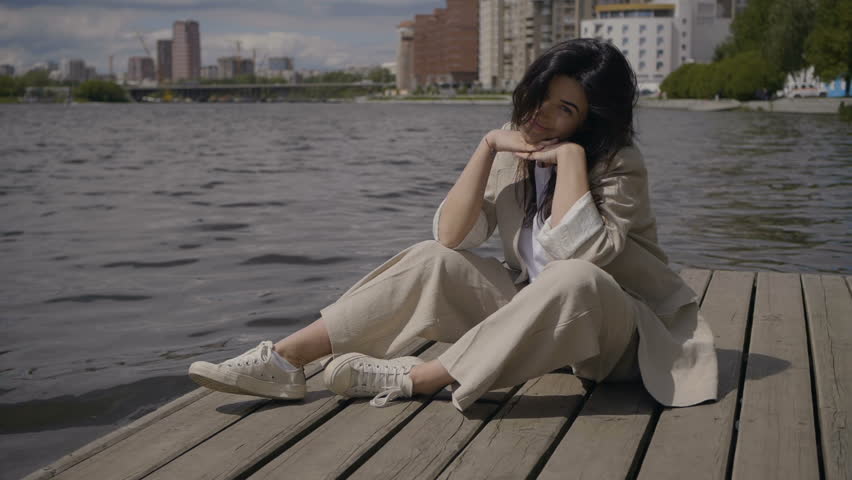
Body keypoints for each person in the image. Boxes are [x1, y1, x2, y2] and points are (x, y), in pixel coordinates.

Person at [188, 39, 719, 412]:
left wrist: (574, 160)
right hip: (540, 324)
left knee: (572, 278)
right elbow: (451, 237)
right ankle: (284, 362)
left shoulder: (619, 162)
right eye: (540, 95)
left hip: (624, 337)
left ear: (592, 119)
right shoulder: (519, 150)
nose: (541, 114)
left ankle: (420, 378)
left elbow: (582, 258)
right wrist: (487, 148)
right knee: (430, 258)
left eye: (564, 109)